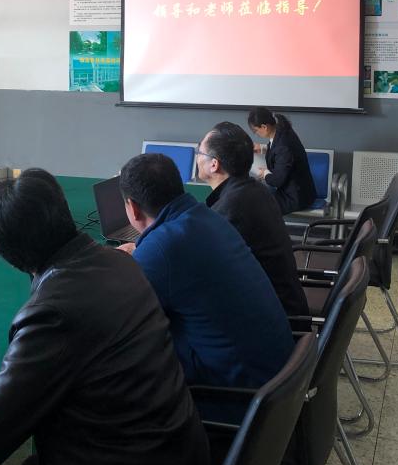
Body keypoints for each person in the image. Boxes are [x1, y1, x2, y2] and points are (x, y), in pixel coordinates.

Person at [0, 169, 208, 465]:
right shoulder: (120, 260)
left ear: (8, 254)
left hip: (130, 462)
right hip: (178, 449)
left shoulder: (51, 314)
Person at [116, 153, 294, 389]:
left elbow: (119, 319)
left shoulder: (160, 250)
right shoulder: (208, 217)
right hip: (281, 376)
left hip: (236, 395)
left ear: (133, 208)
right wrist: (142, 251)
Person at [197, 122, 309, 320]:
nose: (197, 157)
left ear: (214, 164)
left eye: (200, 152)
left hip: (275, 322)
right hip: (286, 307)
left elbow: (203, 274)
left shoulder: (230, 209)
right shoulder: (254, 190)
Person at [248, 106, 317, 216]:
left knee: (257, 206)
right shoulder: (282, 130)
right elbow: (278, 149)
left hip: (295, 197)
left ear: (264, 127)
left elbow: (277, 181)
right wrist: (262, 148)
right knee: (256, 196)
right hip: (294, 190)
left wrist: (265, 173)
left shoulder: (284, 146)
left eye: (256, 130)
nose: (256, 134)